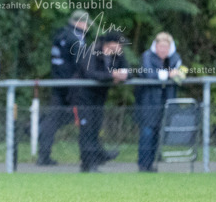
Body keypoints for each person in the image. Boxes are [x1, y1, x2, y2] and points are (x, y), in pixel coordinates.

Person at [36, 10, 90, 166]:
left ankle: (43, 153)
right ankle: (90, 156)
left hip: (58, 83)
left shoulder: (60, 35)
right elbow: (81, 63)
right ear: (80, 22)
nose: (87, 27)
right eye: (86, 23)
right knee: (87, 117)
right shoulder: (76, 37)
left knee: (54, 119)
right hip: (73, 86)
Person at [76, 31, 129, 172]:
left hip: (99, 97)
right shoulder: (92, 52)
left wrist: (123, 75)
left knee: (95, 127)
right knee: (87, 129)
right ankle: (88, 163)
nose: (121, 47)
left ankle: (96, 158)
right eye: (119, 44)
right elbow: (90, 73)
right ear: (109, 43)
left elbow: (127, 70)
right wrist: (112, 75)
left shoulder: (118, 56)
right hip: (83, 96)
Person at [135, 32, 183, 172]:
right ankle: (143, 164)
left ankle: (151, 164)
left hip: (165, 100)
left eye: (166, 48)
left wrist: (176, 74)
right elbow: (149, 75)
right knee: (147, 131)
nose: (163, 50)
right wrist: (168, 75)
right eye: (160, 47)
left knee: (157, 132)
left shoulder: (174, 58)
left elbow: (180, 74)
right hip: (148, 101)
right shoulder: (147, 57)